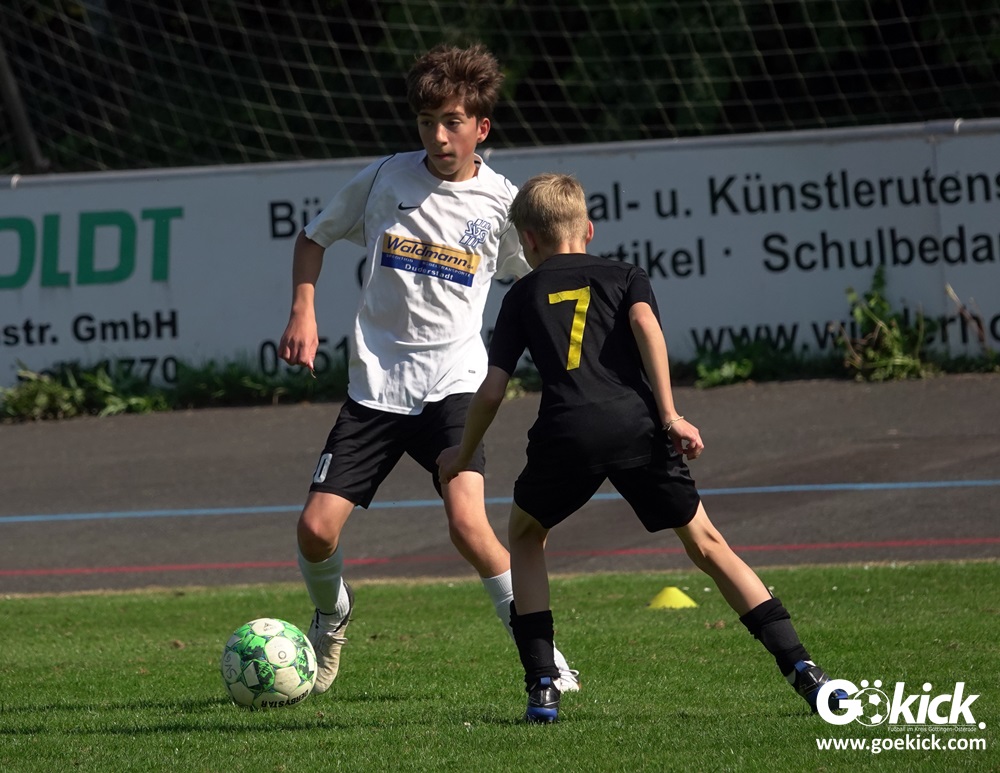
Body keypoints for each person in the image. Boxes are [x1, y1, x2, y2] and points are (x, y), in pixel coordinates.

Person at [437, 173, 845, 723]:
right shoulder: (626, 275)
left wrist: (462, 455)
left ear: (527, 240)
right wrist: (670, 414)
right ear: (588, 229)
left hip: (567, 432)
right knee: (707, 544)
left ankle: (543, 685)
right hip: (636, 425)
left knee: (527, 537)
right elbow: (646, 326)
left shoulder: (522, 294)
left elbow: (491, 390)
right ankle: (804, 670)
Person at [277, 44, 579, 695]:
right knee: (314, 530)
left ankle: (544, 656)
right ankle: (332, 615)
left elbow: (538, 279)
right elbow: (313, 236)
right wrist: (303, 310)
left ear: (481, 128)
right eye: (426, 122)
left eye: (452, 122)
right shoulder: (385, 178)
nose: (438, 137)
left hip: (454, 385)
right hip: (376, 387)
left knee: (469, 525)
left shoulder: (502, 203)